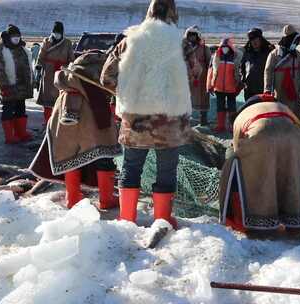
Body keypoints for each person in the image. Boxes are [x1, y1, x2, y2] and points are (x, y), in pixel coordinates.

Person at [101, 0, 191, 228]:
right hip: (169, 122)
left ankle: (127, 218)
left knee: (131, 168)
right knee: (166, 171)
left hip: (135, 121)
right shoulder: (181, 44)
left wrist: (128, 94)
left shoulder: (128, 41)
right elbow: (193, 72)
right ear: (173, 13)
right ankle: (162, 220)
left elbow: (107, 78)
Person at [30, 51, 121, 210]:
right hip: (91, 124)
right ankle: (106, 199)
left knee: (70, 157)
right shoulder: (90, 83)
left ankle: (72, 198)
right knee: (104, 156)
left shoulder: (68, 81)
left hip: (63, 127)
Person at [219, 94, 300, 235]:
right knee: (292, 173)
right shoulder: (284, 107)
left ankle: (257, 220)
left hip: (259, 134)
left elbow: (237, 152)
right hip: (293, 136)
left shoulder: (242, 115)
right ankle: (293, 218)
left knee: (247, 170)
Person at [0, 24, 34, 144]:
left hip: (22, 86)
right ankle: (9, 136)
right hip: (8, 87)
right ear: (9, 36)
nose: (16, 38)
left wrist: (31, 81)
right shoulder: (0, 48)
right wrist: (3, 86)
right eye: (14, 36)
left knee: (21, 109)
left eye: (18, 36)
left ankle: (21, 132)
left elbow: (28, 67)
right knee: (8, 110)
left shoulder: (22, 48)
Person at [36, 21, 75, 124]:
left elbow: (71, 58)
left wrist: (70, 68)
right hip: (48, 72)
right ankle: (48, 120)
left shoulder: (67, 43)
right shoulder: (47, 42)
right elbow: (41, 56)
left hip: (61, 72)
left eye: (58, 32)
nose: (56, 34)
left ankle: (58, 120)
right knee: (48, 97)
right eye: (55, 32)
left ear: (62, 33)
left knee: (60, 96)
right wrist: (39, 66)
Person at [264, 25, 300, 117]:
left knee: (295, 117)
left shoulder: (298, 55)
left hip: (295, 93)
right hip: (279, 92)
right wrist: (267, 89)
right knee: (281, 115)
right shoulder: (274, 55)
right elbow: (268, 72)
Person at [207, 37, 243, 133]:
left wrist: (239, 84)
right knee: (220, 107)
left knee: (232, 108)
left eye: (227, 47)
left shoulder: (236, 58)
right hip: (218, 88)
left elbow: (239, 73)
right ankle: (221, 125)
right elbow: (211, 72)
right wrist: (209, 85)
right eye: (223, 47)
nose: (225, 49)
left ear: (231, 47)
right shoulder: (216, 58)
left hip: (231, 88)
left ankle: (232, 126)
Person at [183, 25, 211, 126]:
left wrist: (210, 78)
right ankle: (185, 120)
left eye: (193, 35)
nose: (191, 38)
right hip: (188, 75)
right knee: (186, 98)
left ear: (197, 36)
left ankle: (203, 119)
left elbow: (210, 64)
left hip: (202, 77)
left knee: (203, 98)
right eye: (190, 35)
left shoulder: (204, 48)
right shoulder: (184, 49)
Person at [241, 28, 274, 101]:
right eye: (252, 40)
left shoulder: (269, 52)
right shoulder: (247, 52)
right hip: (249, 89)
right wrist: (243, 80)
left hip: (263, 89)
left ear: (260, 39)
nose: (254, 42)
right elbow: (242, 67)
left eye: (256, 39)